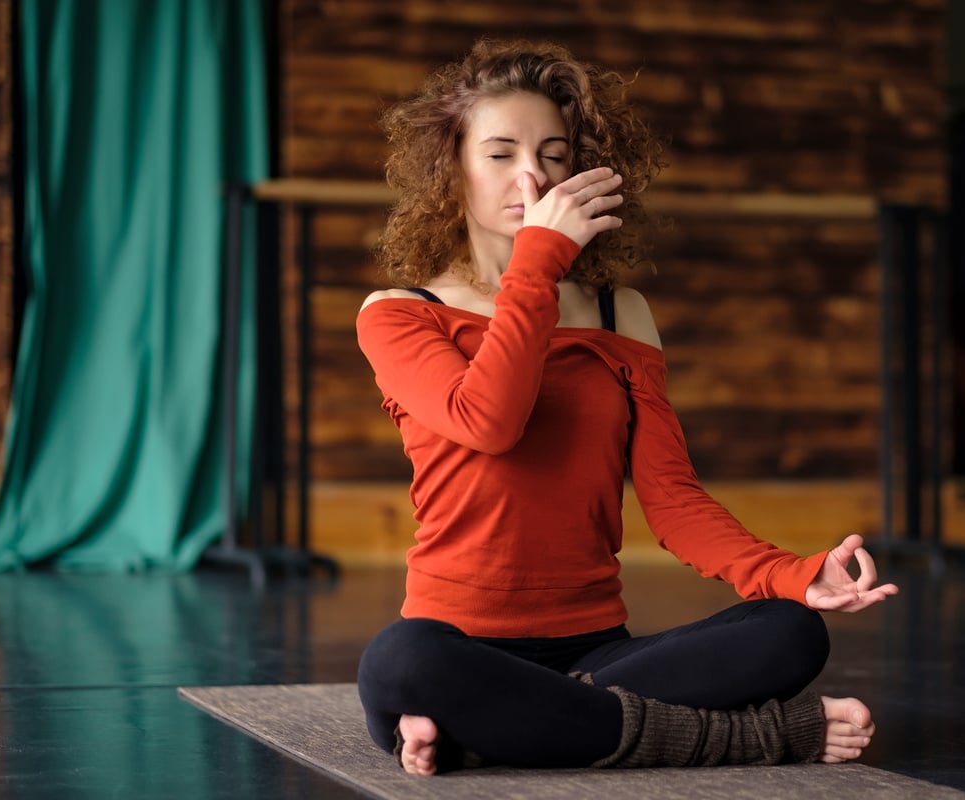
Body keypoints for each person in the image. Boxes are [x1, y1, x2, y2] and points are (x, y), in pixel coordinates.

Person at [354, 38, 898, 776]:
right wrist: (539, 260)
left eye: (552, 153)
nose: (533, 176)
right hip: (455, 642)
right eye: (501, 153)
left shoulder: (621, 313)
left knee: (791, 633)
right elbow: (489, 421)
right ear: (452, 170)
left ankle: (498, 729)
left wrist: (796, 574)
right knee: (400, 662)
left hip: (598, 649)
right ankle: (755, 737)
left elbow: (672, 501)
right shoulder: (398, 314)